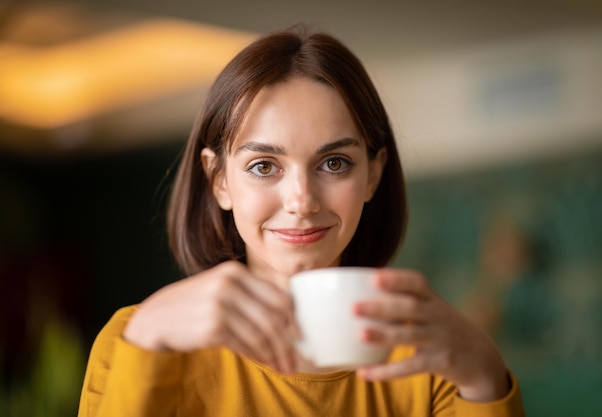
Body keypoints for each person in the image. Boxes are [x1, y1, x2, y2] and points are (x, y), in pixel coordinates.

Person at [77, 26, 525, 417]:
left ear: (374, 175)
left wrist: (485, 376)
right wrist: (151, 335)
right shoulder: (140, 341)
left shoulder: (434, 361)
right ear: (219, 182)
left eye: (333, 163)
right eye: (264, 166)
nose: (302, 201)